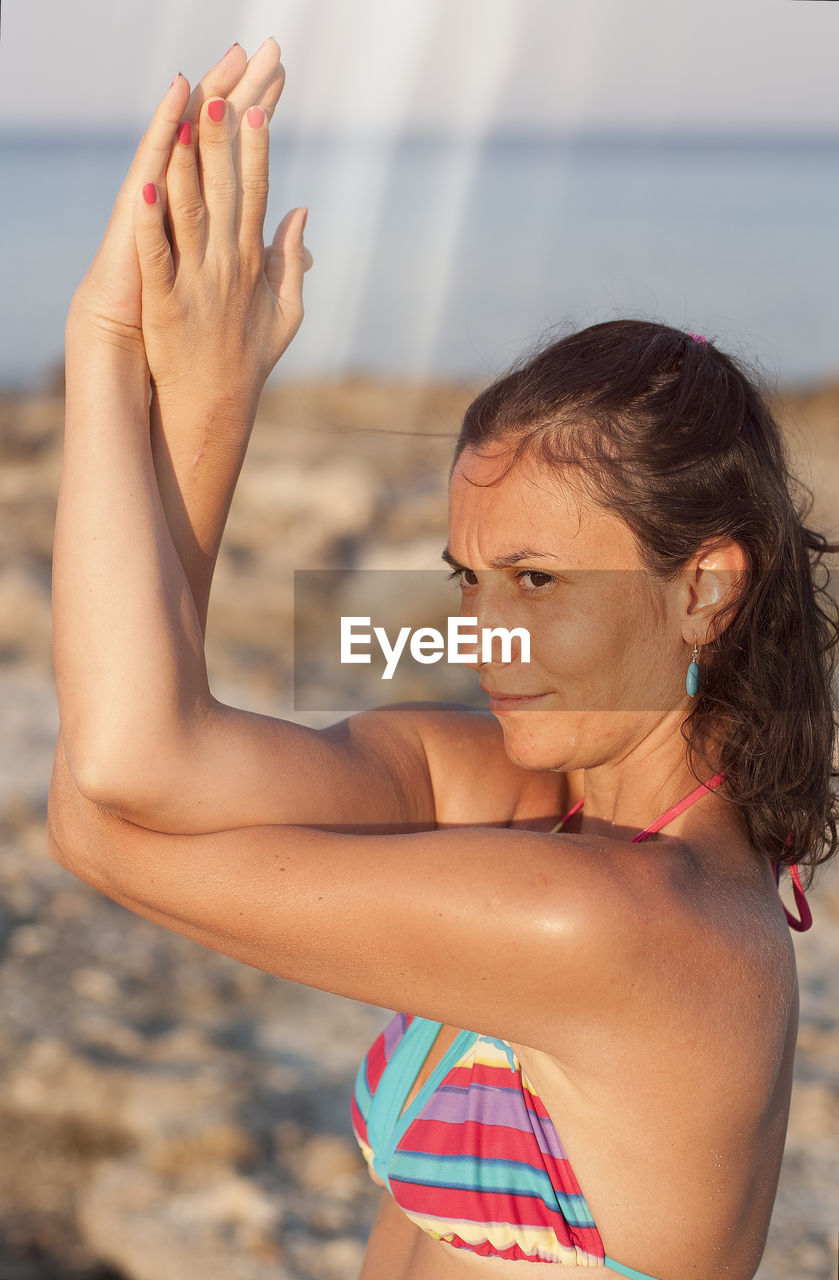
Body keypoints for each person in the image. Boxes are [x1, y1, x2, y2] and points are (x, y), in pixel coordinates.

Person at [47, 40, 838, 1280]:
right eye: (469, 580)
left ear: (702, 589)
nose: (482, 633)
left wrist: (101, 346)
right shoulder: (527, 803)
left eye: (536, 581)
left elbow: (103, 821)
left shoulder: (618, 924)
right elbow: (143, 759)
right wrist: (200, 405)